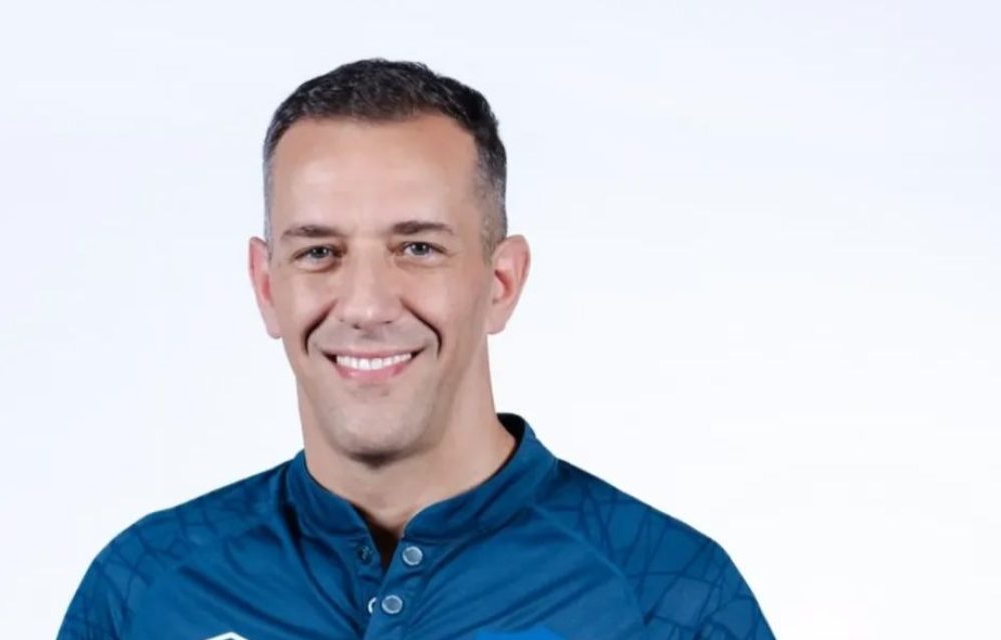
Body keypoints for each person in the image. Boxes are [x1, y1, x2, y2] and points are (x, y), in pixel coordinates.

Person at [57, 58, 774, 640]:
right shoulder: (145, 587)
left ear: (501, 282)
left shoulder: (669, 597)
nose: (366, 305)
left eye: (419, 248)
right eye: (318, 252)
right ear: (267, 286)